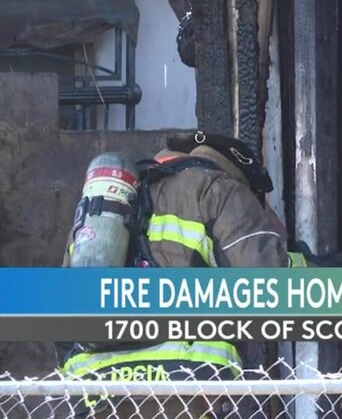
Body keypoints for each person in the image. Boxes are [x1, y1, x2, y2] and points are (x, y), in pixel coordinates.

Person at [57, 131, 308, 419]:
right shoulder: (216, 188)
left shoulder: (99, 210)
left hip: (97, 392)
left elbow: (63, 317)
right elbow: (269, 283)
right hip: (185, 386)